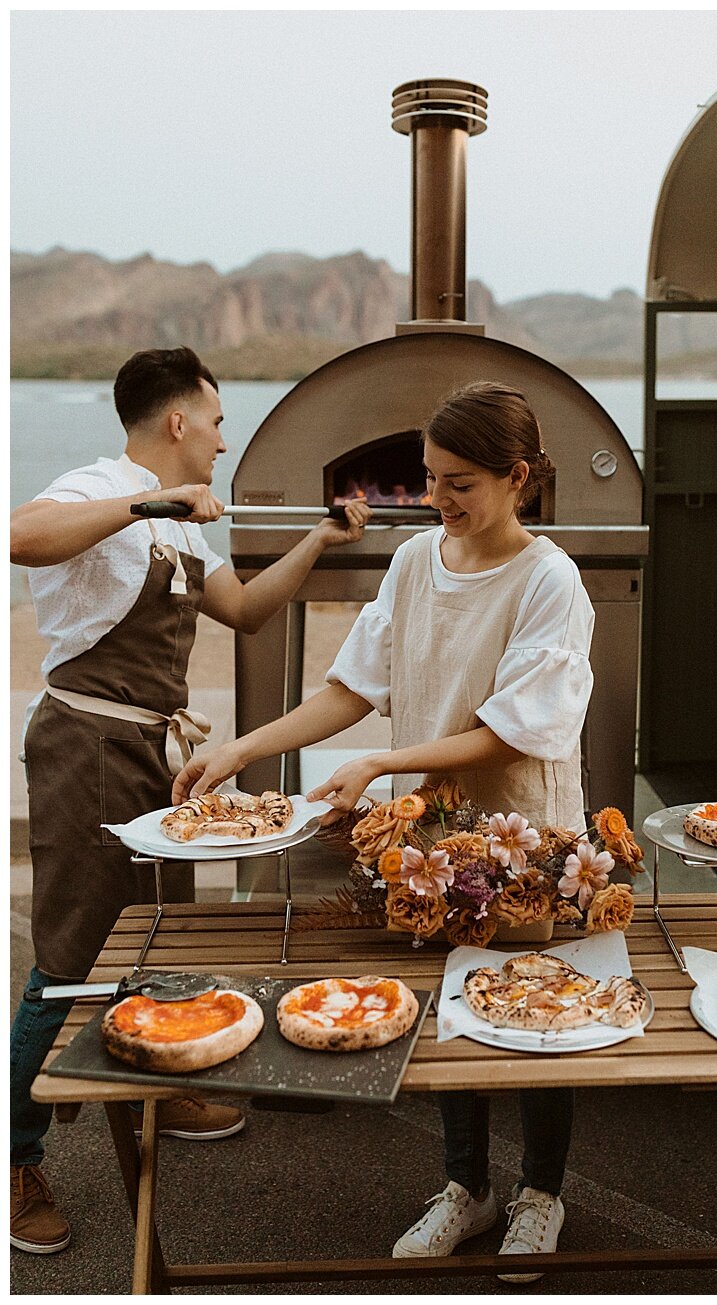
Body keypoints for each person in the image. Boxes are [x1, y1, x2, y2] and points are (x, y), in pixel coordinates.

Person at [174, 380, 595, 1281]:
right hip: (432, 831)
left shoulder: (549, 579)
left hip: (524, 828)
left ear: (517, 477)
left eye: (461, 483)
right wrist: (244, 750)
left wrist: (379, 765)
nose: (437, 500)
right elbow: (349, 689)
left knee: (532, 1009)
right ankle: (468, 1188)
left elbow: (512, 727)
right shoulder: (413, 562)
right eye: (431, 478)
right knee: (444, 1000)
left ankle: (542, 1194)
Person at [9, 346, 369, 1254]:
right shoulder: (102, 484)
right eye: (214, 421)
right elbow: (20, 535)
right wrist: (146, 501)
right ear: (177, 421)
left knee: (160, 935)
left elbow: (245, 610)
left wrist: (319, 542)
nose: (220, 439)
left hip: (151, 749)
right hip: (86, 746)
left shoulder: (186, 527)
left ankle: (159, 1088)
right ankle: (16, 1157)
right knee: (70, 951)